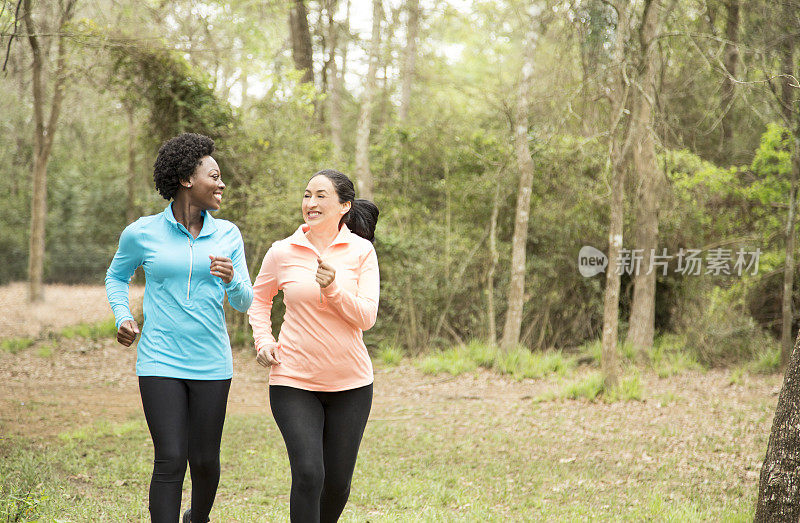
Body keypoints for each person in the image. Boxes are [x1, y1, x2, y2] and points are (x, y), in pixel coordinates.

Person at [105, 132, 253, 523]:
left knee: (204, 461)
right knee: (170, 457)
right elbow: (116, 277)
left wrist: (232, 278)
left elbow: (244, 301)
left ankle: (197, 518)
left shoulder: (228, 234)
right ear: (188, 179)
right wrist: (123, 316)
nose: (222, 184)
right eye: (214, 175)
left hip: (211, 362)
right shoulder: (142, 232)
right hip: (159, 359)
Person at [248, 169, 380, 522]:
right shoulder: (282, 251)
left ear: (344, 206)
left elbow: (367, 317)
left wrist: (333, 290)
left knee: (337, 485)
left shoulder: (361, 251)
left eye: (321, 195)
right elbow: (260, 301)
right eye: (307, 195)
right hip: (293, 380)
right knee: (309, 473)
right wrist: (264, 339)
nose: (311, 202)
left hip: (351, 384)